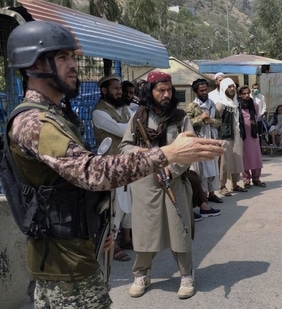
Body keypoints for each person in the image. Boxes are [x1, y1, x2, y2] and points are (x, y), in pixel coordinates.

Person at [5, 21, 223, 308]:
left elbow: (66, 185)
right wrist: (168, 153)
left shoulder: (56, 116)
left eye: (72, 56)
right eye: (62, 57)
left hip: (76, 252)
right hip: (63, 263)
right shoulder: (35, 122)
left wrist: (95, 228)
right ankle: (141, 274)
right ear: (34, 65)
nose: (73, 65)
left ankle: (186, 274)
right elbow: (93, 173)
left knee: (179, 235)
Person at [119, 71, 217, 299]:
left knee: (179, 229)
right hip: (145, 184)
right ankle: (141, 274)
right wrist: (147, 154)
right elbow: (124, 148)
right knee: (145, 232)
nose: (166, 94)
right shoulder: (138, 118)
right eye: (160, 90)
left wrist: (171, 170)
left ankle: (186, 275)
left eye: (169, 90)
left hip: (174, 181)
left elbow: (191, 148)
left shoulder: (180, 117)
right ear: (150, 92)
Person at [92, 75, 134, 261]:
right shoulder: (98, 112)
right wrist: (133, 125)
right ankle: (113, 245)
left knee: (129, 203)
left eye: (120, 88)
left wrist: (132, 125)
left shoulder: (123, 108)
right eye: (115, 88)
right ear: (104, 91)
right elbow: (124, 130)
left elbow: (134, 123)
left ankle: (126, 238)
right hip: (111, 167)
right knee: (115, 206)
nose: (120, 91)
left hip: (127, 164)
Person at [185, 78, 224, 205]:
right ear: (196, 92)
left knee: (213, 168)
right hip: (200, 140)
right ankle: (203, 195)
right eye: (201, 90)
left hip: (212, 139)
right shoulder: (192, 106)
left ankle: (212, 193)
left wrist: (212, 121)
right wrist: (201, 118)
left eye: (206, 90)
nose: (204, 92)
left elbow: (220, 121)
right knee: (202, 169)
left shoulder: (212, 104)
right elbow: (187, 123)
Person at [216, 77, 247, 196]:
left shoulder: (236, 103)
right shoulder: (220, 105)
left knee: (237, 159)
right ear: (224, 88)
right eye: (229, 87)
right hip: (225, 136)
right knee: (224, 161)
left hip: (237, 133)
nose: (232, 88)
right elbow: (216, 122)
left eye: (233, 86)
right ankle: (222, 185)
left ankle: (234, 184)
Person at [238, 85, 266, 187]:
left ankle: (256, 178)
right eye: (244, 94)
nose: (246, 95)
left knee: (256, 156)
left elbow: (256, 115)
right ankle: (246, 179)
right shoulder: (237, 105)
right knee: (245, 157)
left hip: (253, 134)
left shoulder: (253, 104)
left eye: (247, 93)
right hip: (243, 135)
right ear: (240, 95)